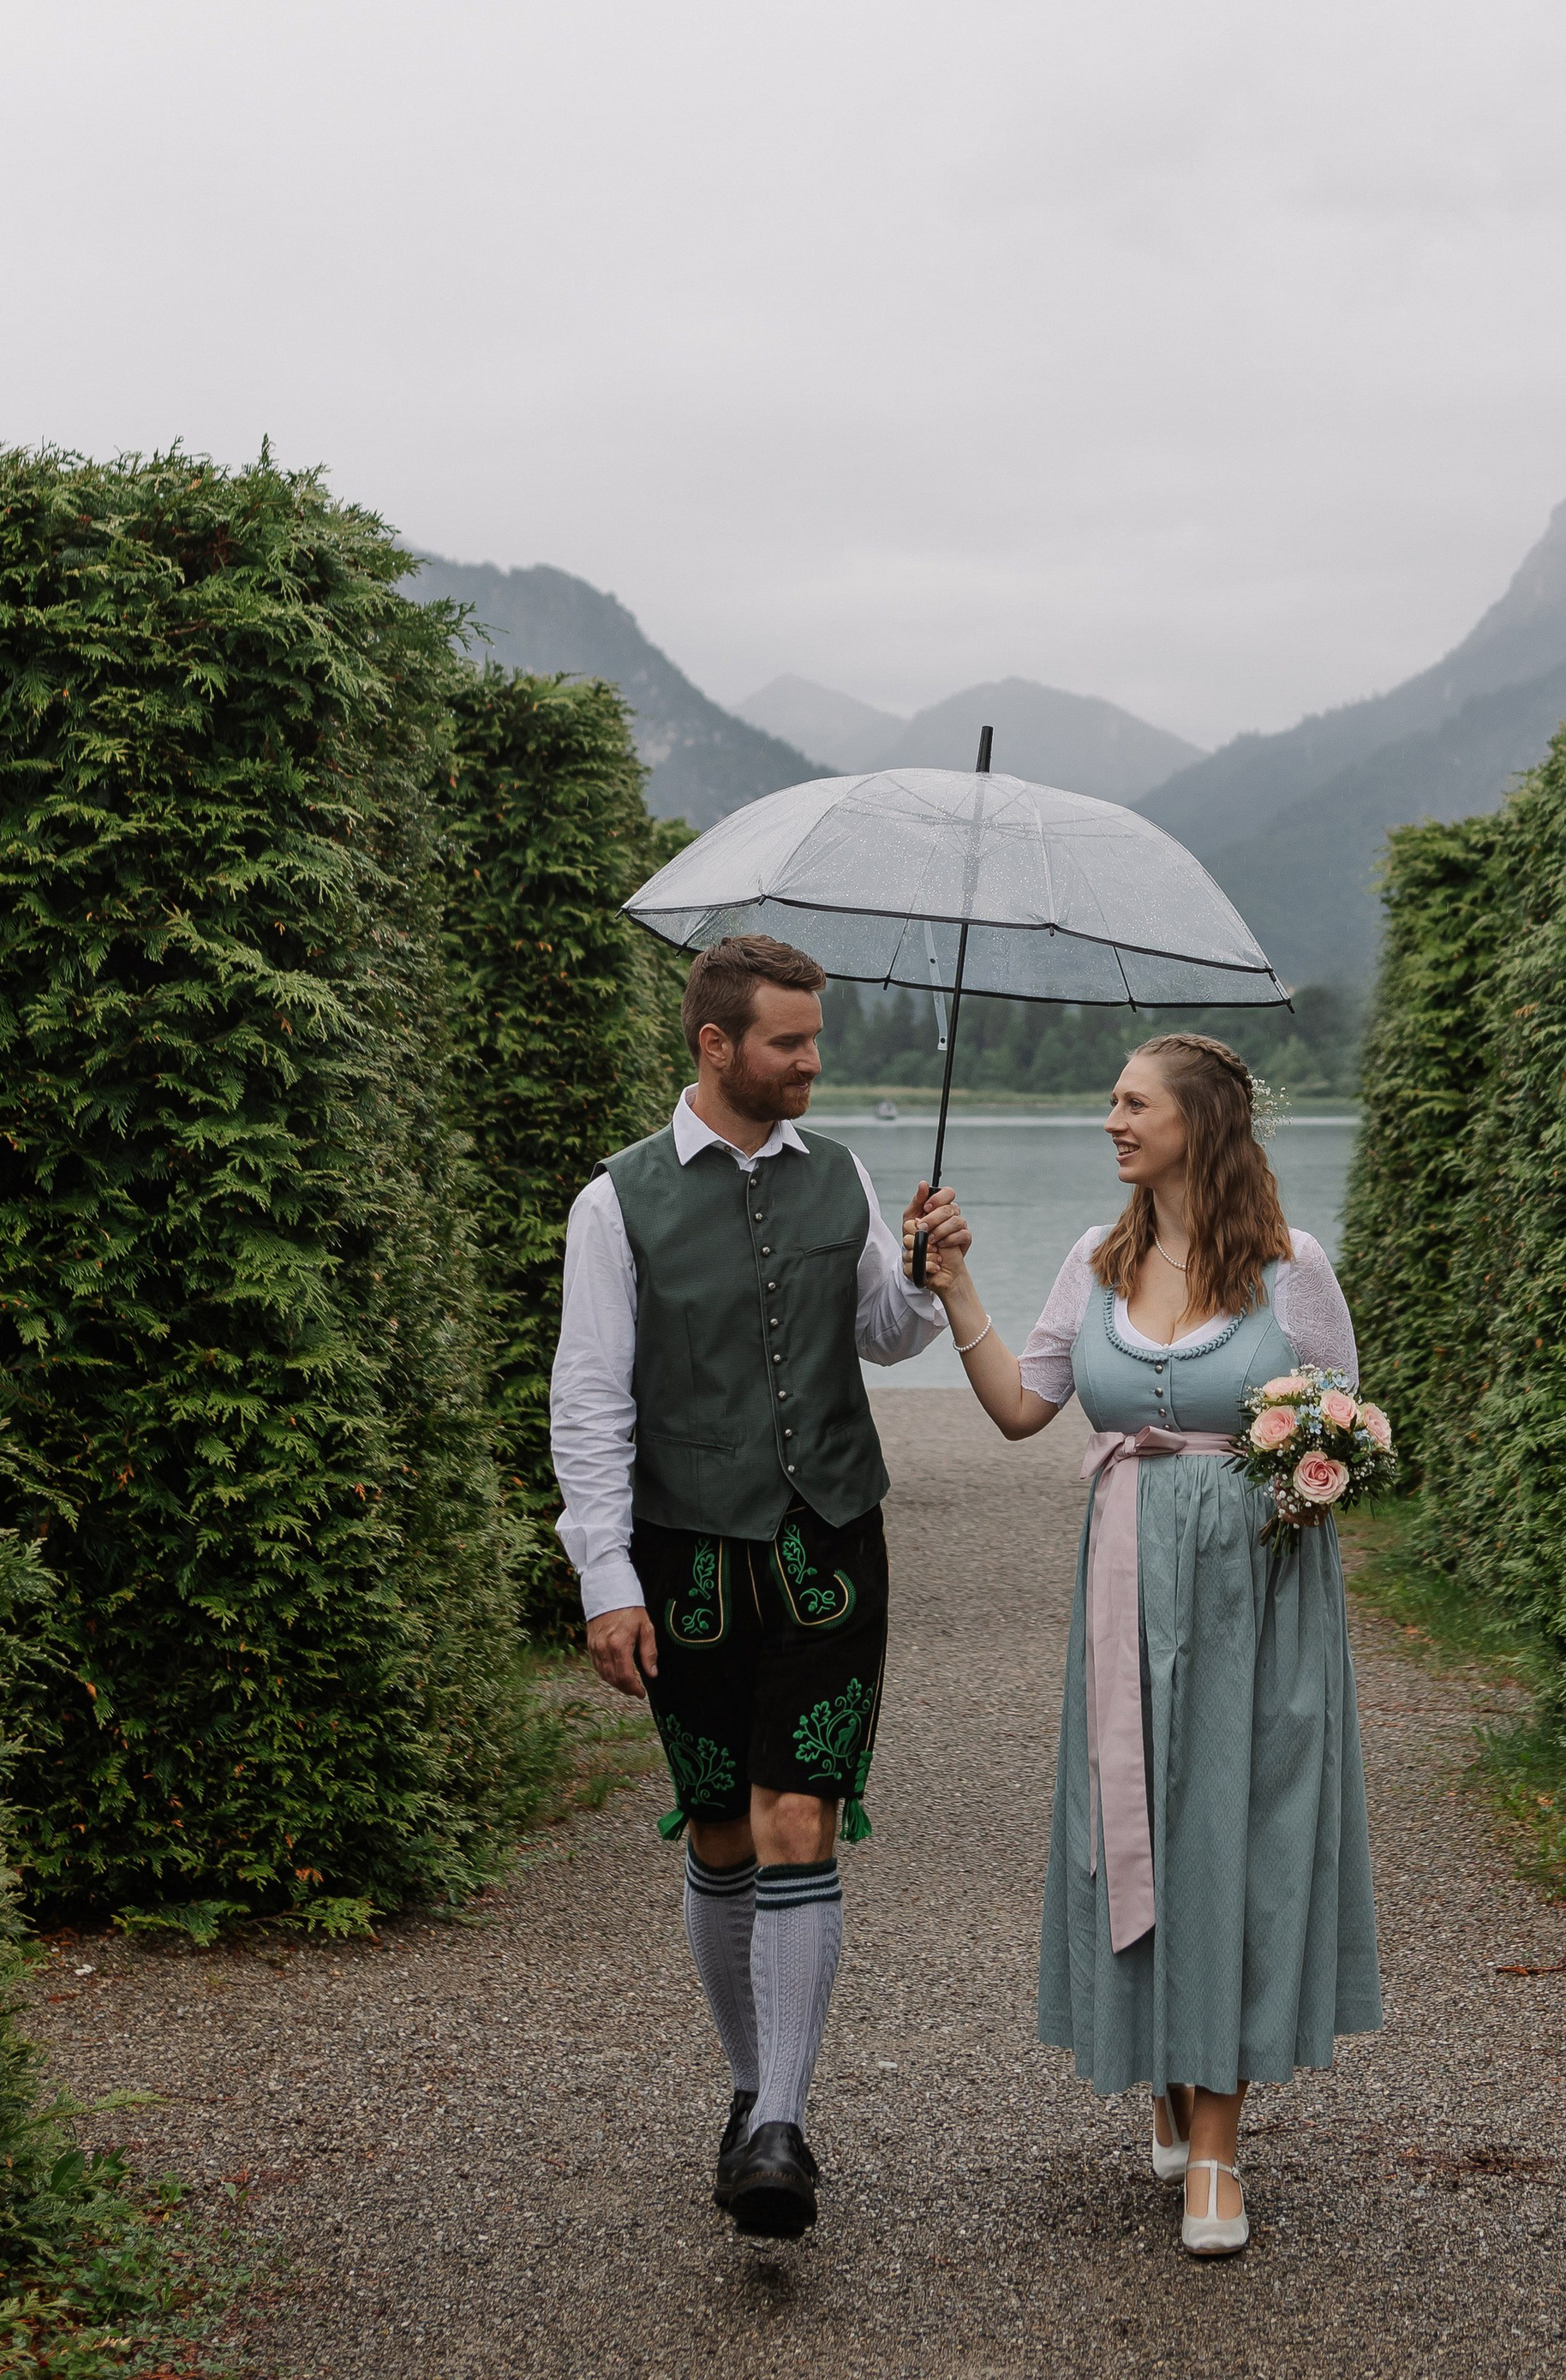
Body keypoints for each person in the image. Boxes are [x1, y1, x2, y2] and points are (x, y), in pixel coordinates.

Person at [920, 1032, 1381, 2259]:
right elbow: (1026, 1409)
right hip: (1124, 1588)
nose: (1111, 1120)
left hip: (1261, 1605)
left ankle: (1220, 2150)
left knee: (1239, 1840)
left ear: (1200, 1124)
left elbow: (1345, 1423)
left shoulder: (1295, 1269)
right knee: (1133, 1827)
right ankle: (1173, 2082)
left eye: (1133, 1104)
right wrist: (955, 1285)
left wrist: (1299, 1481)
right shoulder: (1094, 1257)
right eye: (1113, 1102)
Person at [547, 932, 960, 2239]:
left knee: (799, 1815)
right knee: (721, 1824)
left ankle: (781, 2121)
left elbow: (882, 1337)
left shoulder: (839, 1170)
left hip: (830, 1548)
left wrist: (926, 1271)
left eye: (814, 1038)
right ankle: (748, 2090)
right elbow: (589, 1401)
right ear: (717, 1045)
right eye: (790, 1041)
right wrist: (605, 1577)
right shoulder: (617, 1202)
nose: (812, 1062)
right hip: (687, 1558)